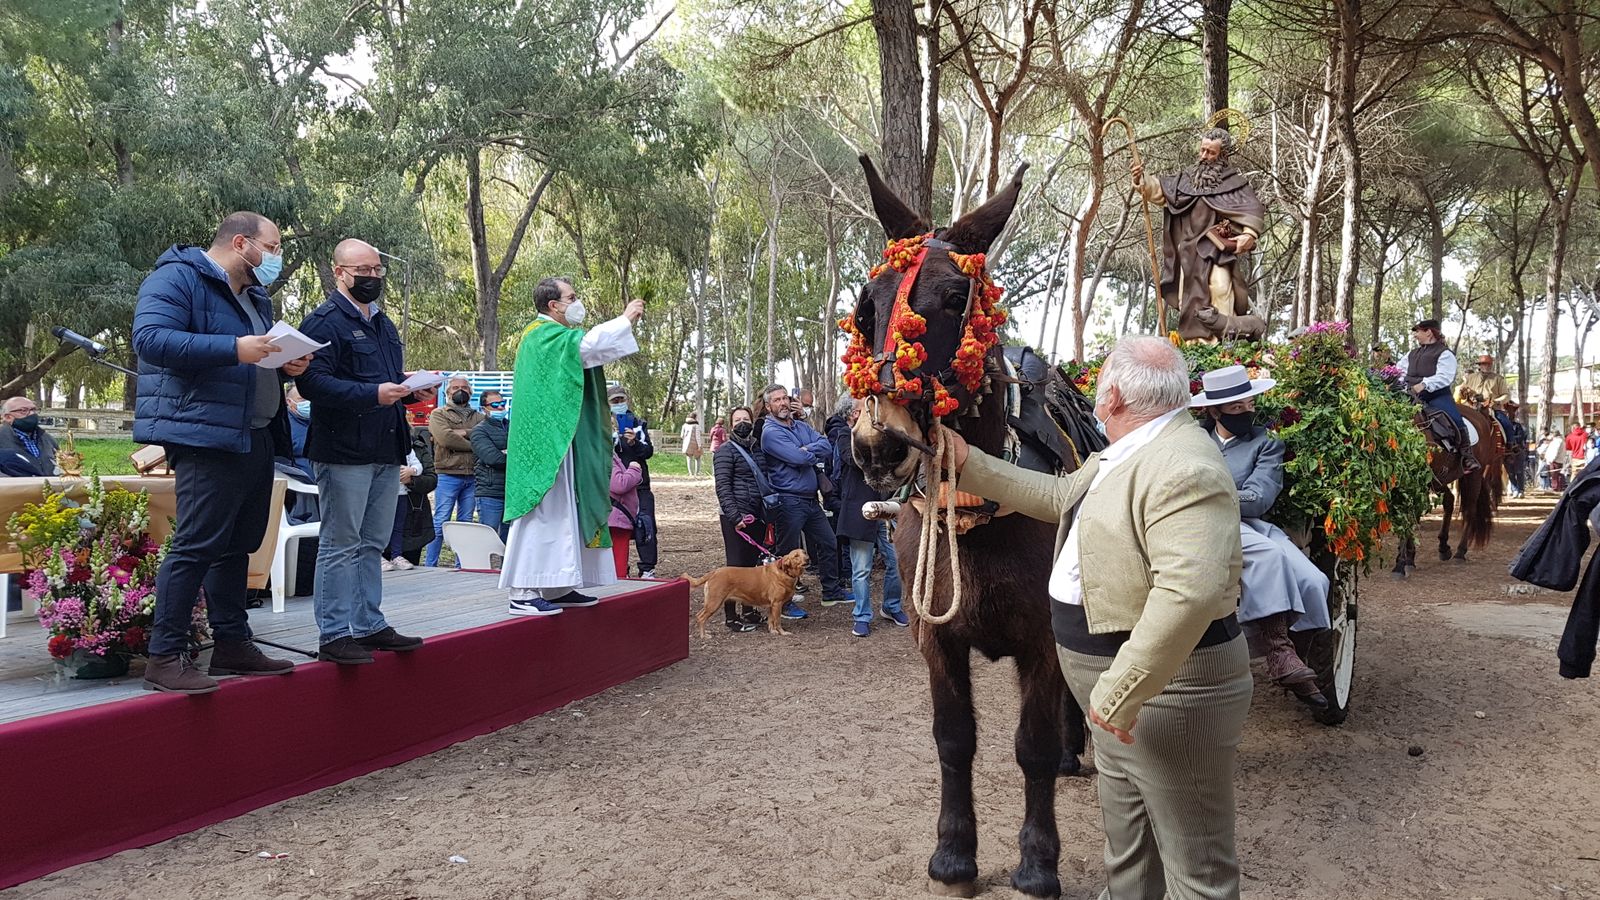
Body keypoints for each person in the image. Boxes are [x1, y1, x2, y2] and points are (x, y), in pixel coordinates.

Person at [940, 334, 1249, 899]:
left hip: (1162, 698)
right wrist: (969, 463)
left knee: (1195, 873)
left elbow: (1192, 591)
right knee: (1128, 856)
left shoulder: (1184, 466)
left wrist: (1122, 689)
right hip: (1121, 700)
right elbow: (1057, 496)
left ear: (1112, 399)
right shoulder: (1125, 451)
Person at [132, 211, 310, 693]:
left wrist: (285, 363)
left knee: (238, 544)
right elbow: (150, 340)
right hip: (203, 433)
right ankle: (165, 655)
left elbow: (257, 356)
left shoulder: (255, 296)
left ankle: (231, 643)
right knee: (196, 544)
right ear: (241, 242)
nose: (276, 258)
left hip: (252, 434)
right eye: (272, 248)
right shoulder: (175, 278)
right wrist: (235, 347)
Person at [297, 238, 433, 665]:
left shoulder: (384, 324)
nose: (372, 278)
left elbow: (388, 381)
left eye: (377, 271)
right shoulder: (322, 323)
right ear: (339, 272)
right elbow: (311, 384)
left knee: (373, 542)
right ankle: (334, 633)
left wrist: (412, 390)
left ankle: (369, 623)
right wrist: (373, 393)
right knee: (341, 542)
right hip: (342, 450)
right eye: (363, 271)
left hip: (385, 447)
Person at [499, 278, 644, 616]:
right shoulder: (541, 335)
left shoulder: (554, 336)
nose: (578, 303)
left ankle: (557, 585)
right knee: (540, 511)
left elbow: (585, 355)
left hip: (561, 439)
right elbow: (588, 348)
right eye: (572, 297)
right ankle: (521, 590)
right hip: (543, 445)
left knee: (564, 511)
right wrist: (625, 320)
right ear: (554, 305)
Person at [1192, 365, 1331, 707]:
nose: (1246, 412)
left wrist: (1212, 493)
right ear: (1214, 410)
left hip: (1249, 522)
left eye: (1249, 404)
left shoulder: (1266, 443)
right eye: (1236, 408)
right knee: (1268, 558)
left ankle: (1300, 651)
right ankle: (1278, 652)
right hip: (1198, 523)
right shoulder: (1191, 440)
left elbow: (1260, 498)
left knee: (1315, 581)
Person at [1131, 127, 1268, 341]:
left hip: (1217, 251)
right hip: (1190, 252)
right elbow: (1161, 191)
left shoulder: (1234, 183)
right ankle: (1195, 344)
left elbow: (1252, 209)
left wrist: (1248, 234)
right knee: (1189, 297)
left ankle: (1223, 344)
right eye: (1203, 150)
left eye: (1211, 153)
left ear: (1223, 155)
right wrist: (1143, 180)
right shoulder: (1186, 179)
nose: (1204, 156)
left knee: (1221, 288)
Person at [759, 384, 848, 610]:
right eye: (777, 400)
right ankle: (783, 603)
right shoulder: (770, 433)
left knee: (828, 542)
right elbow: (798, 459)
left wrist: (802, 448)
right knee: (786, 555)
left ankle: (831, 591)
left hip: (810, 500)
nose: (783, 403)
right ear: (769, 407)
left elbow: (826, 446)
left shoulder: (799, 425)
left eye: (784, 398)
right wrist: (805, 452)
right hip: (788, 501)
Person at [830, 397, 905, 638]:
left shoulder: (880, 431)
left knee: (896, 562)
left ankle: (891, 607)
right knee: (861, 568)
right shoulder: (844, 435)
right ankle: (861, 616)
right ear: (853, 414)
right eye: (864, 410)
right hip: (860, 510)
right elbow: (853, 460)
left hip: (885, 507)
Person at [712, 405, 769, 632]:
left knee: (750, 567)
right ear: (730, 424)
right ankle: (730, 617)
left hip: (756, 515)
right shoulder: (725, 451)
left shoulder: (758, 449)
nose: (742, 423)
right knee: (734, 568)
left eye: (746, 419)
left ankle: (748, 610)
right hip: (735, 516)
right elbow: (723, 487)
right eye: (737, 420)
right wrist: (734, 516)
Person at [1399, 319, 1479, 472]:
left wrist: (1423, 385)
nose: (1415, 335)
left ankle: (1467, 456)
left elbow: (1444, 377)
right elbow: (1399, 371)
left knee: (1454, 417)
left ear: (1428, 332)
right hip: (1409, 395)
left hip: (1436, 396)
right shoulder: (1411, 354)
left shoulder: (1445, 354)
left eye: (1418, 331)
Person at [425, 374, 484, 566]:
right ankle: (430, 565)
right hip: (447, 474)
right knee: (441, 520)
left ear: (471, 392)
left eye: (465, 388)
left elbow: (487, 439)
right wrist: (474, 440)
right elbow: (445, 438)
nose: (461, 390)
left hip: (473, 475)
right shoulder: (438, 414)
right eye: (456, 387)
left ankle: (462, 565)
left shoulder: (480, 417)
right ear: (448, 392)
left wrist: (462, 433)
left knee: (465, 523)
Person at [610, 383, 659, 577]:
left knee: (645, 525)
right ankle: (619, 568)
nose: (619, 403)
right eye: (615, 401)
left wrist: (634, 442)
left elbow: (648, 452)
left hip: (640, 485)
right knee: (617, 528)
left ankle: (647, 568)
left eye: (622, 399)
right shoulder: (601, 425)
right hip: (615, 486)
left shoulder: (638, 423)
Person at [388, 424, 438, 567]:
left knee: (411, 563)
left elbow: (431, 480)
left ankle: (396, 556)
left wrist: (411, 478)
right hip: (385, 504)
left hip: (415, 517)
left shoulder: (417, 447)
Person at [471, 390, 511, 541]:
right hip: (490, 493)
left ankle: (505, 566)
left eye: (502, 403)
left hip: (511, 492)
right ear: (484, 408)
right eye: (495, 405)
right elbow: (493, 459)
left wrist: (507, 453)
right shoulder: (479, 431)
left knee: (509, 540)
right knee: (488, 537)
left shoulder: (513, 428)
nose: (501, 408)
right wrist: (511, 456)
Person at [608, 451, 645, 578]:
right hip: (617, 520)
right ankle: (617, 592)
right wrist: (634, 469)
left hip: (614, 518)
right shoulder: (606, 456)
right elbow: (619, 485)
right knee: (618, 564)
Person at [0, 397, 58, 475]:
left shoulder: (47, 439)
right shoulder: (2, 440)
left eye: (34, 409)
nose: (31, 414)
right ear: (8, 417)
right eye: (23, 410)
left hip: (49, 486)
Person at [1498, 400, 1528, 499]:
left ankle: (1521, 490)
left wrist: (1512, 441)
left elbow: (1521, 436)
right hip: (1506, 453)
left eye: (1511, 412)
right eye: (1507, 412)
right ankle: (1515, 489)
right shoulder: (1500, 426)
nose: (1509, 414)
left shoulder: (1518, 426)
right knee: (1510, 473)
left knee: (1519, 471)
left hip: (1517, 451)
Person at [680, 413, 704, 477]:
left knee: (689, 458)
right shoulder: (696, 426)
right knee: (697, 458)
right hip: (695, 444)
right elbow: (698, 436)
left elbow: (682, 436)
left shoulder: (684, 425)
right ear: (695, 418)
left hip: (687, 444)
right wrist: (699, 446)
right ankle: (697, 473)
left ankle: (691, 473)